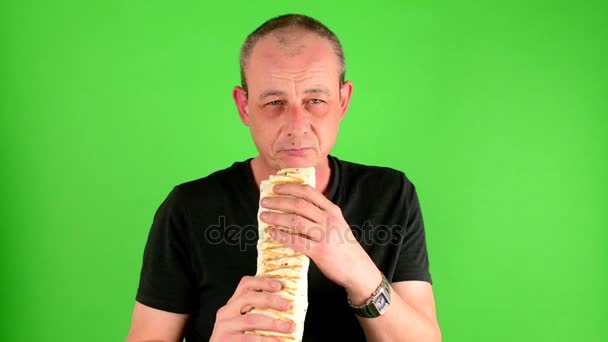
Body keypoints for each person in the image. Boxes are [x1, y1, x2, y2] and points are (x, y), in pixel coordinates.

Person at [126, 14, 441, 342]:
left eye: (314, 101)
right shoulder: (189, 209)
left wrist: (359, 272)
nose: (296, 125)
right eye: (275, 102)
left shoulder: (390, 196)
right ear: (245, 106)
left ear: (343, 101)